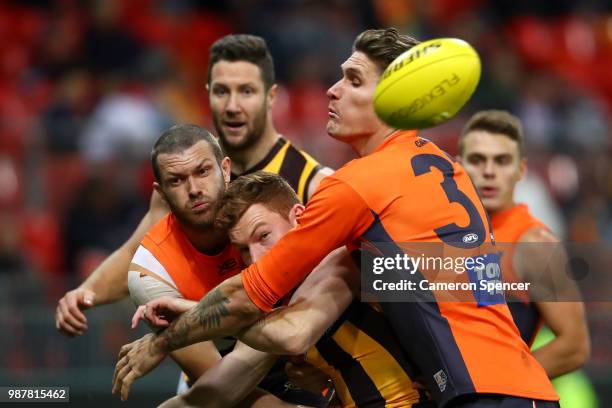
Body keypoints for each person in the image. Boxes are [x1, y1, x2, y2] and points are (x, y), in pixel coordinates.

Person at [112, 28, 559, 408]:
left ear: (393, 97)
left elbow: (254, 302)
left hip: (479, 393)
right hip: (523, 386)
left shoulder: (358, 186)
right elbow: (460, 283)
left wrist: (163, 341)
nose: (332, 89)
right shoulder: (447, 169)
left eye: (353, 80)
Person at [55, 33, 332, 337]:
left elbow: (360, 269)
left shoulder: (310, 181)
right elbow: (141, 252)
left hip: (278, 354)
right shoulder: (187, 172)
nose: (232, 106)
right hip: (210, 347)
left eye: (247, 91)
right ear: (207, 94)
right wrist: (86, 292)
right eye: (222, 92)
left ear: (271, 97)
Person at [139, 171, 425, 407]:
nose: (258, 260)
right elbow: (221, 387)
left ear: (298, 217)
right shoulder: (278, 306)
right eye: (244, 251)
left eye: (263, 236)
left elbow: (293, 336)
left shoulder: (347, 256)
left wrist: (193, 313)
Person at [458, 110, 594, 405]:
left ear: (521, 170)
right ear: (459, 167)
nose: (489, 171)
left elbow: (574, 345)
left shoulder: (534, 243)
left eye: (502, 161)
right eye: (478, 160)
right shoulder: (448, 235)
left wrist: (493, 387)